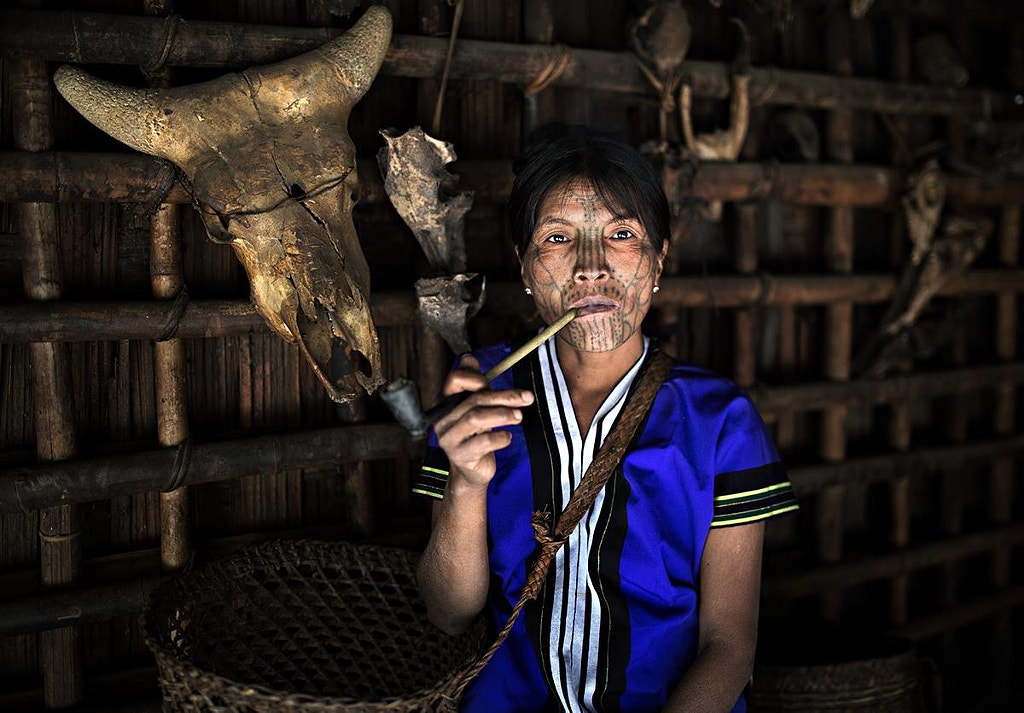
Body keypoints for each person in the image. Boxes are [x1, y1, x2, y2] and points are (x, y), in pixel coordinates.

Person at [413, 123, 798, 713]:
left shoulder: (720, 421)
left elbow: (728, 649)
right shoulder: (480, 394)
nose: (591, 267)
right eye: (558, 238)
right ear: (523, 265)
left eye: (621, 234)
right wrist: (466, 481)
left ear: (658, 259)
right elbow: (447, 613)